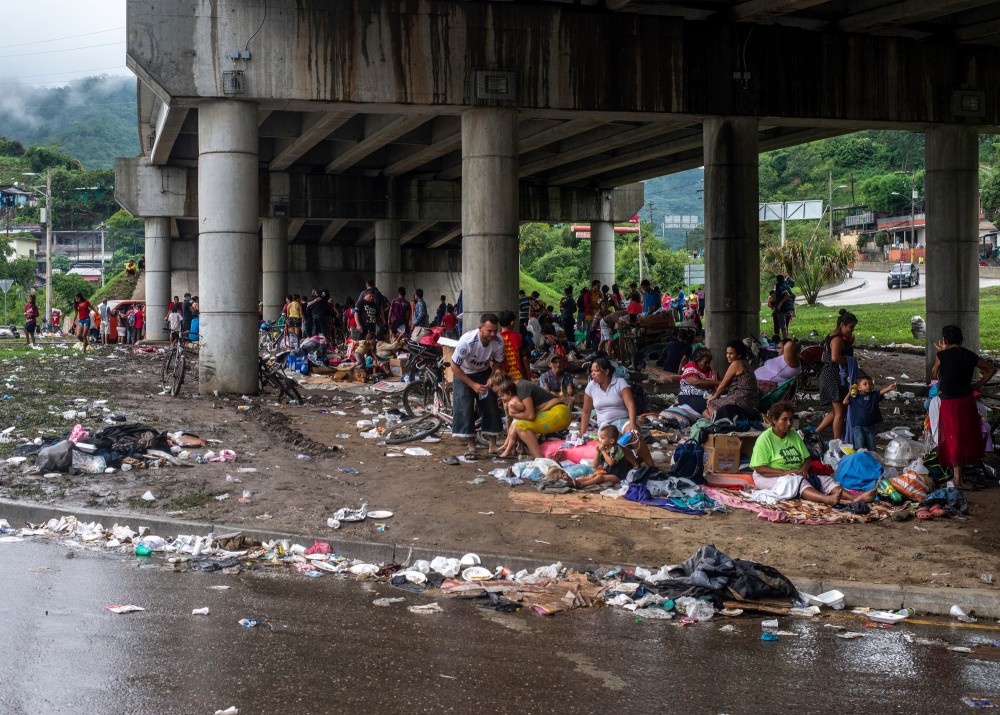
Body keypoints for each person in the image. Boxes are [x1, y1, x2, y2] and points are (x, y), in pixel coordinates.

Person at [750, 402, 875, 505]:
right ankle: (827, 499)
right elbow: (759, 468)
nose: (789, 423)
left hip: (793, 473)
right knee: (797, 481)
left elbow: (807, 458)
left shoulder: (793, 434)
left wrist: (804, 469)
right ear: (774, 420)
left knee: (825, 480)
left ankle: (856, 498)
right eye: (784, 420)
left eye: (790, 419)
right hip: (767, 477)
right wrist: (785, 473)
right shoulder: (765, 439)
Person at [931, 324, 997, 486]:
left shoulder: (942, 355)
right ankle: (965, 470)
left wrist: (942, 352)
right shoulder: (970, 355)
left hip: (949, 401)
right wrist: (977, 385)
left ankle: (957, 476)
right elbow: (991, 370)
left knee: (952, 435)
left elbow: (934, 372)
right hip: (966, 400)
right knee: (965, 433)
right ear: (961, 339)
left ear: (945, 339)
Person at [578, 357, 654, 467]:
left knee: (634, 435)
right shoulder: (591, 386)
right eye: (592, 371)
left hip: (624, 420)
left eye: (596, 371)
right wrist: (582, 432)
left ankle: (651, 465)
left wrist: (632, 424)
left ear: (606, 371)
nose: (593, 374)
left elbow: (631, 406)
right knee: (615, 437)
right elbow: (585, 412)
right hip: (605, 424)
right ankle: (635, 465)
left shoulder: (620, 383)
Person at [450, 313, 504, 460]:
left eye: (495, 330)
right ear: (480, 328)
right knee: (465, 408)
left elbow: (498, 362)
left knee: (490, 406)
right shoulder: (467, 342)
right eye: (489, 331)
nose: (492, 334)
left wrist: (492, 376)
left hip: (484, 373)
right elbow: (454, 367)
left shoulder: (498, 341)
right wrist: (472, 385)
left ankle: (493, 445)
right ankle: (471, 446)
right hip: (464, 374)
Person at [491, 373, 572, 458]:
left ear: (503, 384)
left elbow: (530, 416)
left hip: (560, 413)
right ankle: (534, 456)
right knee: (517, 425)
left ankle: (539, 459)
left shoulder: (521, 387)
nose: (499, 395)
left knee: (520, 426)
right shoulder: (517, 388)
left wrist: (512, 414)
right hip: (557, 413)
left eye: (498, 392)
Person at [816, 310, 858, 440]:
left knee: (837, 410)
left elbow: (824, 358)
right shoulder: (838, 339)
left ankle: (817, 432)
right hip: (833, 377)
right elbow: (835, 357)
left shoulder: (830, 336)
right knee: (840, 412)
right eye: (850, 327)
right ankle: (837, 441)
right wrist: (852, 361)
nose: (851, 331)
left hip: (828, 375)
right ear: (842, 325)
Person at [568, 423, 638, 488]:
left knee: (600, 477)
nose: (600, 440)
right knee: (592, 475)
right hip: (607, 473)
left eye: (602, 438)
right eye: (600, 438)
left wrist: (602, 451)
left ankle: (582, 484)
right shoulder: (604, 449)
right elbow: (595, 465)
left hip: (618, 476)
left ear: (611, 441)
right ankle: (573, 481)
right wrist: (598, 452)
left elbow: (611, 463)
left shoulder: (616, 448)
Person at [705, 340, 759, 419]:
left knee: (711, 403)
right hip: (753, 401)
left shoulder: (736, 363)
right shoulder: (747, 364)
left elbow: (723, 384)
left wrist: (714, 396)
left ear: (739, 354)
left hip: (741, 400)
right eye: (727, 353)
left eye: (731, 353)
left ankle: (715, 420)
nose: (728, 356)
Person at [844, 375, 896, 452]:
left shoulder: (874, 395)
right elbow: (844, 402)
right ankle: (860, 462)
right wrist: (849, 392)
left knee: (872, 448)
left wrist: (889, 388)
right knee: (860, 447)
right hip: (858, 427)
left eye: (870, 384)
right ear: (859, 388)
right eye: (865, 384)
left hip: (871, 427)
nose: (868, 386)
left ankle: (871, 461)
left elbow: (881, 392)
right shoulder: (855, 397)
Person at [678, 348, 719, 413]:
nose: (708, 365)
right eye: (705, 362)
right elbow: (697, 382)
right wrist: (717, 382)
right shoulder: (690, 369)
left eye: (709, 362)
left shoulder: (711, 372)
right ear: (697, 360)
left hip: (707, 396)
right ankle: (711, 419)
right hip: (689, 396)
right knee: (703, 404)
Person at [498, 310, 529, 381]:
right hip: (518, 377)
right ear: (512, 323)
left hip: (502, 378)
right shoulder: (519, 337)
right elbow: (525, 359)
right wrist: (528, 376)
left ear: (499, 324)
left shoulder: (496, 339)